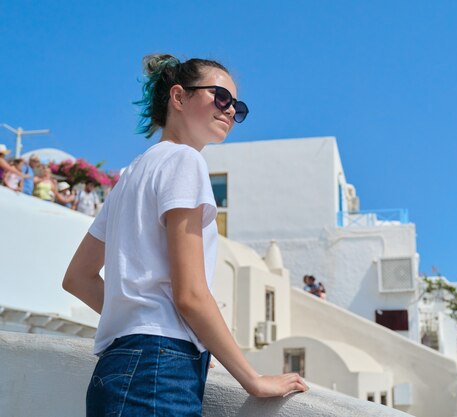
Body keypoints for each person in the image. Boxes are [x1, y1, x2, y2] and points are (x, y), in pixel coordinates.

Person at [62, 54, 307, 416]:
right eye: (221, 98)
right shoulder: (185, 162)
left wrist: (139, 316)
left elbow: (77, 278)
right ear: (178, 97)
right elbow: (190, 294)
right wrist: (253, 379)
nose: (230, 111)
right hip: (157, 371)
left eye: (237, 107)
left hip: (116, 367)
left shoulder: (132, 174)